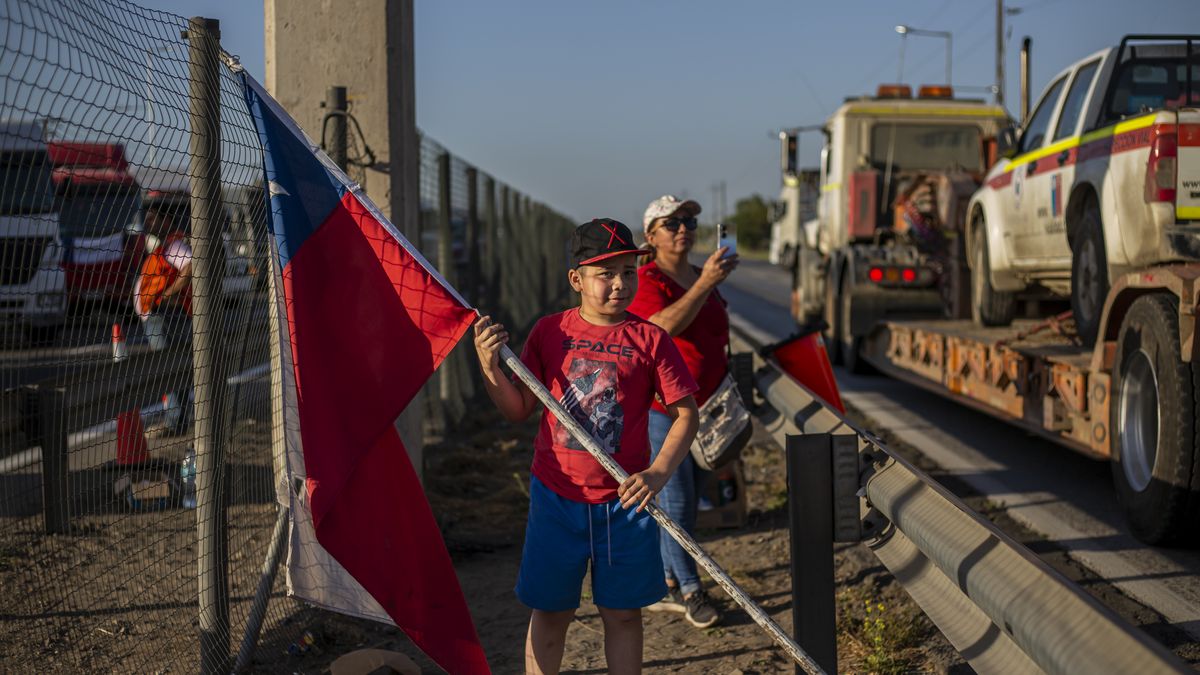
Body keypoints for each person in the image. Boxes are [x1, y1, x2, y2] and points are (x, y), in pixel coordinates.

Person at [473, 217, 700, 674]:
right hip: (556, 496)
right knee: (552, 611)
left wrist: (657, 474)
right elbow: (518, 409)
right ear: (576, 279)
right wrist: (489, 368)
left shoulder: (650, 339)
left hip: (625, 502)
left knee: (622, 614)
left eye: (628, 272)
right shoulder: (549, 332)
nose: (619, 284)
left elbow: (686, 414)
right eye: (606, 274)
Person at [628, 194, 739, 629]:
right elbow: (659, 329)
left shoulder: (698, 275)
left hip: (708, 408)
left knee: (691, 501)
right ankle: (692, 591)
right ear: (651, 236)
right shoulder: (647, 278)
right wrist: (704, 284)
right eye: (672, 223)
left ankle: (668, 580)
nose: (683, 230)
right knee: (674, 501)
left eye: (690, 221)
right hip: (664, 407)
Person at [132, 199, 193, 351]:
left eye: (152, 218)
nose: (147, 222)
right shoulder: (164, 246)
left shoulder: (175, 245)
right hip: (161, 315)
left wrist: (166, 295)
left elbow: (190, 267)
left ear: (166, 220)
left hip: (171, 316)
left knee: (173, 360)